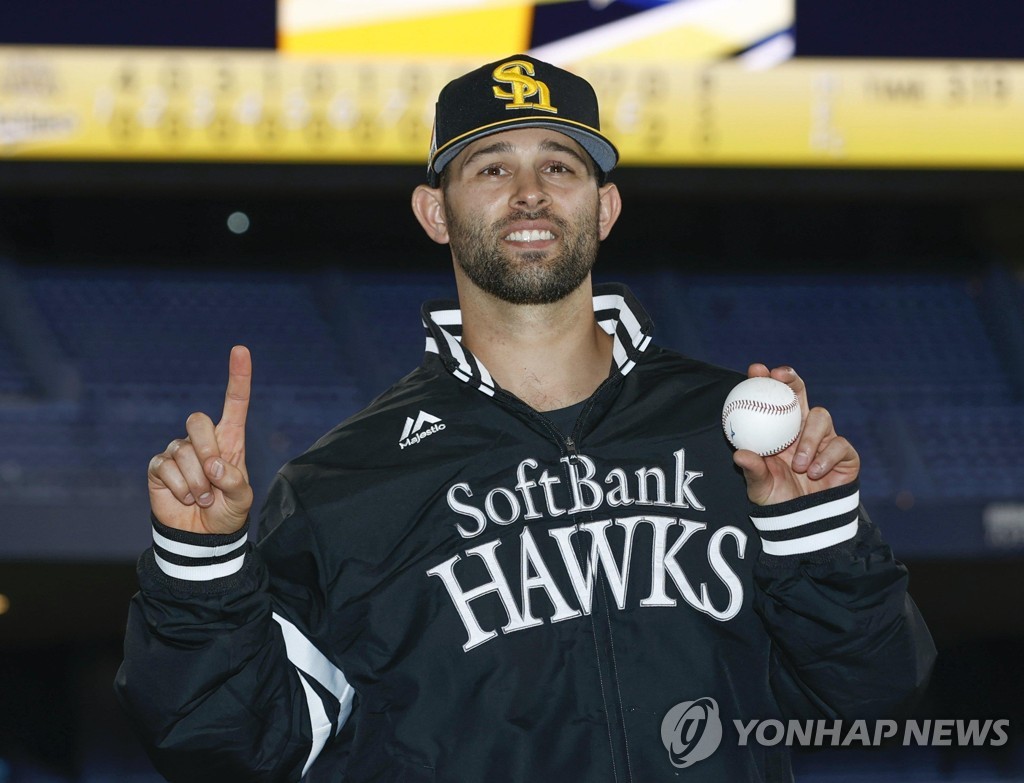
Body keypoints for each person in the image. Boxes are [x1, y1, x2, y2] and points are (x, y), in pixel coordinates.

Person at [116, 55, 936, 782]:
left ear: (604, 208)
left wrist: (814, 535)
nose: (531, 192)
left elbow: (870, 689)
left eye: (560, 165)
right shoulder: (343, 487)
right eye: (490, 168)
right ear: (435, 213)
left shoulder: (727, 436)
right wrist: (201, 566)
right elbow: (230, 746)